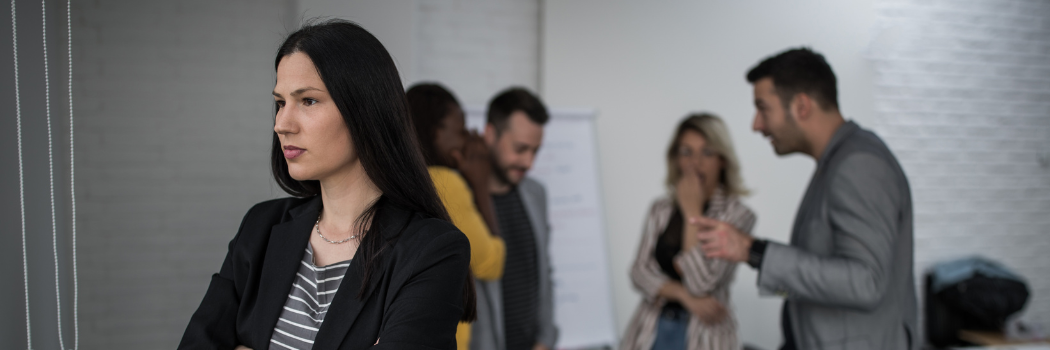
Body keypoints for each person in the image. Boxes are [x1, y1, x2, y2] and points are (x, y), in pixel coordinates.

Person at [178, 20, 475, 350]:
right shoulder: (261, 226)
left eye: (307, 101)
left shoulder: (432, 249)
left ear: (364, 110)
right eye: (280, 102)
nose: (281, 124)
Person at [695, 48, 918, 350]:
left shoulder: (859, 164)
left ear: (801, 105)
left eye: (763, 108)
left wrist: (753, 250)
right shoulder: (835, 162)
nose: (756, 124)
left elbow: (866, 282)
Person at [620, 114, 757, 350]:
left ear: (722, 160)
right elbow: (638, 272)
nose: (695, 163)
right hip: (652, 329)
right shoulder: (660, 209)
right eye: (686, 152)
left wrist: (691, 211)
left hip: (704, 336)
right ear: (675, 159)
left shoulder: (738, 215)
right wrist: (684, 297)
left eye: (707, 152)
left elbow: (702, 284)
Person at [407, 83, 507, 350]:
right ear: (434, 133)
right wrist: (481, 185)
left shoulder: (398, 182)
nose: (466, 140)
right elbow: (491, 264)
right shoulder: (446, 184)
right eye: (460, 130)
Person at [470, 87, 558, 350]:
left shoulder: (536, 194)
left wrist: (546, 338)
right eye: (520, 149)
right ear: (490, 134)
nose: (529, 162)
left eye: (535, 151)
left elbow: (544, 270)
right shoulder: (463, 200)